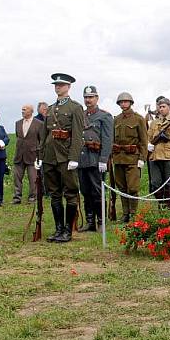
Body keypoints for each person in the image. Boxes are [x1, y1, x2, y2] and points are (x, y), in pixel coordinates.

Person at [37, 73, 85, 243]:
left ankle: (67, 231)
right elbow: (44, 134)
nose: (58, 87)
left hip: (65, 156)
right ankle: (58, 229)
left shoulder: (75, 108)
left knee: (70, 193)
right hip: (50, 156)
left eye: (61, 85)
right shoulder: (50, 109)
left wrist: (74, 157)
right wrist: (40, 155)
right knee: (54, 193)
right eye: (56, 85)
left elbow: (78, 135)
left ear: (68, 87)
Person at [78, 85, 113, 232]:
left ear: (97, 98)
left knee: (97, 191)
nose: (88, 100)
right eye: (86, 97)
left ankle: (101, 222)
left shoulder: (104, 116)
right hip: (82, 159)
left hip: (96, 159)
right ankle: (90, 221)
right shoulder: (81, 116)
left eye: (91, 97)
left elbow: (107, 139)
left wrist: (103, 159)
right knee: (85, 191)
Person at [112, 92, 147, 223]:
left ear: (131, 103)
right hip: (119, 158)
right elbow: (113, 139)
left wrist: (142, 158)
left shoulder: (138, 119)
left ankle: (133, 213)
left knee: (132, 188)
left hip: (133, 158)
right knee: (121, 187)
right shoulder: (116, 119)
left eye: (126, 101)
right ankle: (125, 213)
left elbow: (143, 140)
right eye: (121, 102)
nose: (123, 104)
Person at [147, 97, 170, 209]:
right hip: (155, 156)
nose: (161, 109)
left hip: (168, 156)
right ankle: (160, 202)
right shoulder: (154, 123)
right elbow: (148, 137)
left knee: (168, 182)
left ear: (169, 107)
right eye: (160, 107)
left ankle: (167, 204)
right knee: (155, 182)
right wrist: (148, 145)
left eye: (164, 107)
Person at [12, 104, 43, 204]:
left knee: (33, 178)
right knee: (17, 178)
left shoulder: (39, 124)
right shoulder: (18, 123)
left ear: (31, 111)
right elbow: (18, 137)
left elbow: (41, 140)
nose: (23, 111)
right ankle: (17, 197)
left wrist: (40, 155)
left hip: (32, 155)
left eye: (25, 109)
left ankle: (32, 198)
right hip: (19, 155)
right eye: (22, 109)